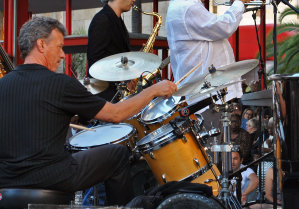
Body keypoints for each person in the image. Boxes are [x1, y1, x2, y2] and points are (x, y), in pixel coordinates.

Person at [0, 16, 177, 206]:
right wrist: (154, 90)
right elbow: (115, 114)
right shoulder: (60, 84)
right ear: (41, 45)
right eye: (59, 47)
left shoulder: (3, 84)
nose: (62, 54)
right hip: (53, 176)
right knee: (117, 154)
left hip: (7, 179)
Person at [166, 0, 249, 102]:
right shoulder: (188, 7)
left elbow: (214, 28)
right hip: (206, 95)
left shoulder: (184, 6)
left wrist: (236, 6)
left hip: (208, 91)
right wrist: (238, 3)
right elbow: (224, 27)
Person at [87, 0, 136, 101]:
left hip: (115, 91)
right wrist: (122, 78)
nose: (134, 0)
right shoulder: (102, 19)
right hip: (105, 94)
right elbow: (95, 59)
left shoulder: (117, 19)